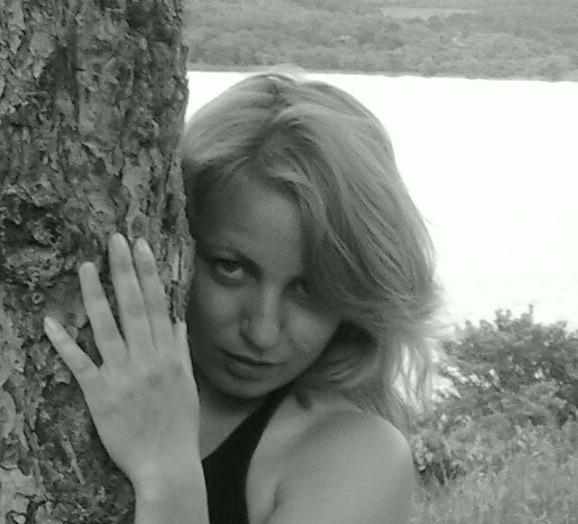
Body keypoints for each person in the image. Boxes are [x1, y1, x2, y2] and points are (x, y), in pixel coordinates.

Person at [44, 71, 444, 524]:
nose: (262, 331)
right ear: (176, 243)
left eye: (310, 289)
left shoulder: (357, 459)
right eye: (230, 268)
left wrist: (167, 475)